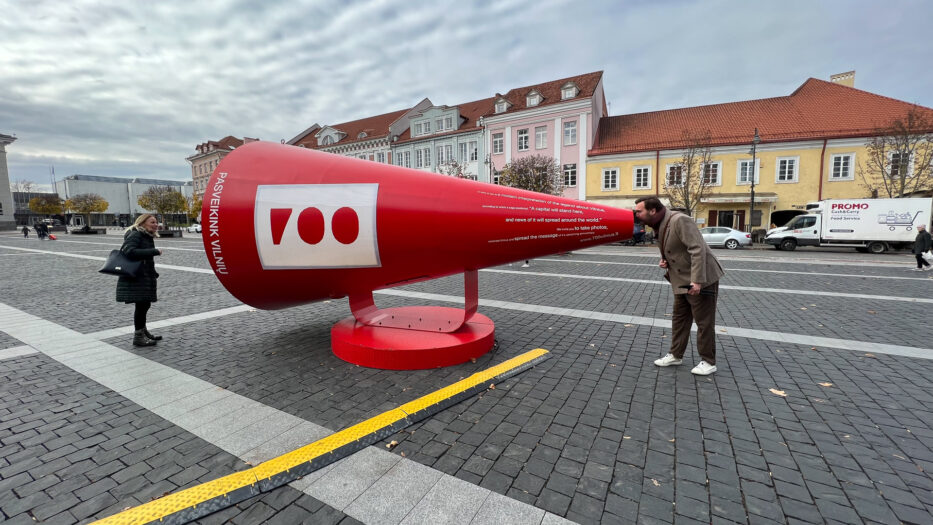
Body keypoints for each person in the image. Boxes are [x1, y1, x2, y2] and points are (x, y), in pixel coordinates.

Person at [634, 197, 724, 375]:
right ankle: (676, 354)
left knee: (704, 322)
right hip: (681, 278)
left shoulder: (680, 220)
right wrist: (665, 260)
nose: (636, 214)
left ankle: (708, 361)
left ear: (652, 211)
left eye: (639, 211)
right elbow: (676, 248)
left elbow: (697, 249)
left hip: (700, 277)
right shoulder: (660, 223)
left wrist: (697, 281)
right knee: (680, 319)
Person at [116, 214, 163, 346]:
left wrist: (153, 273)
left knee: (144, 305)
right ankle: (138, 337)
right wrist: (154, 251)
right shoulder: (136, 234)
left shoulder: (145, 235)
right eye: (152, 222)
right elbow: (129, 251)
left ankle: (143, 332)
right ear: (142, 223)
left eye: (156, 222)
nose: (156, 224)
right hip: (137, 277)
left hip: (143, 276)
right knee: (141, 306)